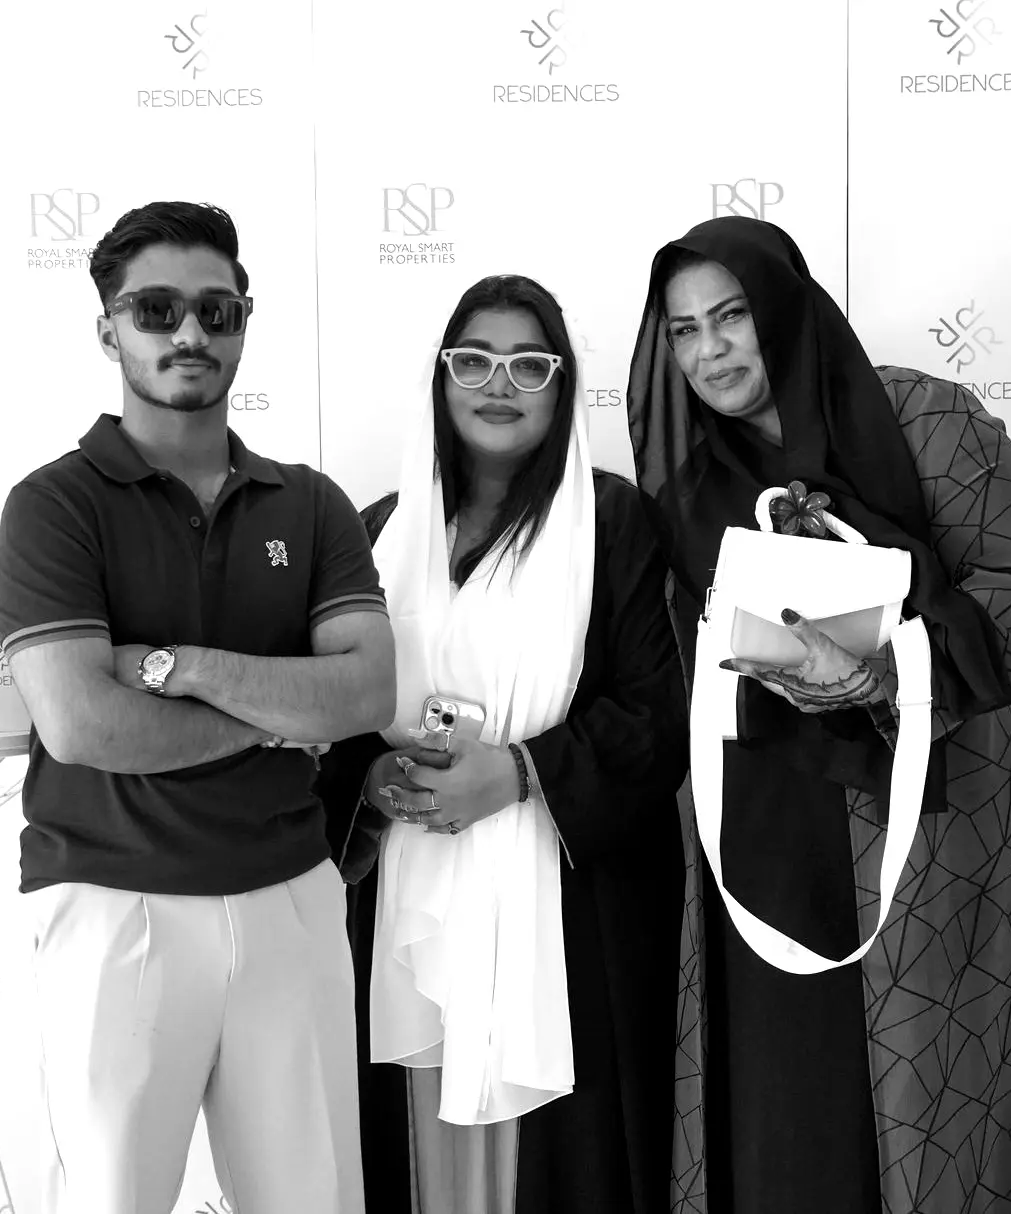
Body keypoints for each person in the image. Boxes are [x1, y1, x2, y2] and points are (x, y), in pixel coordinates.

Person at [626, 215, 1011, 1214]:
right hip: (767, 839)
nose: (711, 350)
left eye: (732, 316)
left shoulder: (924, 418)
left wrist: (879, 677)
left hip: (935, 827)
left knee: (936, 1105)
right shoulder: (690, 488)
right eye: (684, 330)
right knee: (785, 1109)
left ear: (784, 308)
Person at [0, 201, 395, 1214]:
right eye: (157, 309)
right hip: (112, 902)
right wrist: (280, 713)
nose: (189, 333)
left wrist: (179, 666)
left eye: (216, 311)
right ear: (109, 331)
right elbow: (83, 725)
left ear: (244, 324)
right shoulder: (53, 504)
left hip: (292, 896)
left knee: (317, 1200)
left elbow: (365, 692)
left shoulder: (311, 503)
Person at [315, 273, 687, 1214]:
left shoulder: (610, 523)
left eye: (529, 366)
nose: (499, 384)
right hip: (408, 896)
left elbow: (656, 712)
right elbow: (336, 715)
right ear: (441, 379)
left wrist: (520, 774)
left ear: (563, 389)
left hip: (565, 907)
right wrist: (377, 776)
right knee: (408, 1148)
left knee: (571, 1163)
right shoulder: (379, 532)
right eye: (474, 360)